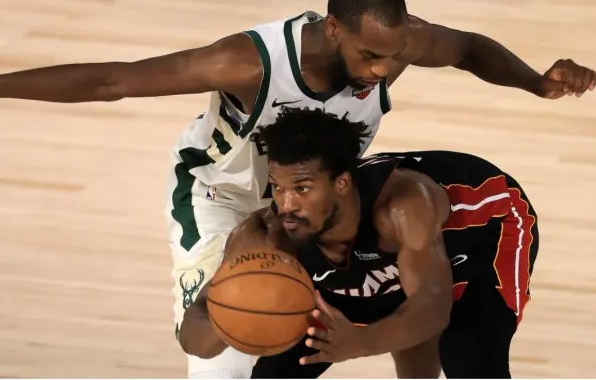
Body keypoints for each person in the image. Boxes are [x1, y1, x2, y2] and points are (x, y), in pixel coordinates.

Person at [0, 0, 571, 378]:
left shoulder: (396, 46)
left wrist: (536, 83)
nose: (382, 71)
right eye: (369, 55)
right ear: (332, 30)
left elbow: (466, 49)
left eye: (392, 55)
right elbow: (113, 80)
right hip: (220, 196)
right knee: (227, 361)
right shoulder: (247, 62)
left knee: (400, 323)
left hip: (305, 204)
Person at [178, 106, 538, 379]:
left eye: (302, 189)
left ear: (342, 184)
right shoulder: (267, 236)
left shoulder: (402, 207)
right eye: (278, 187)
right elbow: (193, 336)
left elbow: (432, 307)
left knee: (466, 353)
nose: (286, 205)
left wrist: (361, 343)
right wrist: (225, 317)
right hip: (389, 265)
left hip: (483, 235)